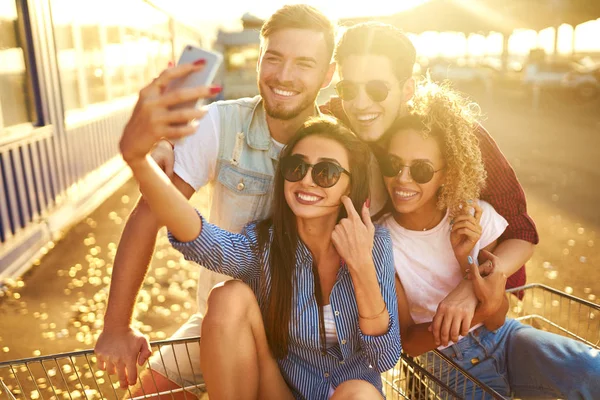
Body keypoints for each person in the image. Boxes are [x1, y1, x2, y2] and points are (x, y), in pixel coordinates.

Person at [95, 5, 340, 397]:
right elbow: (150, 215)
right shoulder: (221, 124)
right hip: (220, 319)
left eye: (304, 64)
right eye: (273, 58)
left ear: (328, 75)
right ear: (259, 59)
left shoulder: (340, 146)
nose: (284, 75)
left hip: (304, 337)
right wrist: (117, 326)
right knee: (146, 394)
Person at [119, 115, 401, 399]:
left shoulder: (375, 243)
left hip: (352, 395)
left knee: (359, 393)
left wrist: (361, 265)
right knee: (228, 296)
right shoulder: (264, 246)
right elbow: (202, 239)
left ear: (349, 186)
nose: (305, 180)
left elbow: (385, 358)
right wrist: (142, 163)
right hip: (281, 392)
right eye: (296, 167)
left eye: (326, 173)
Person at [376, 81, 600, 399]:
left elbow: (497, 317)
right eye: (392, 164)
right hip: (442, 363)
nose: (403, 178)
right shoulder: (383, 242)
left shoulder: (472, 217)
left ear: (446, 172)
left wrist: (467, 260)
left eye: (422, 169)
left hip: (503, 339)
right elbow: (409, 343)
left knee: (592, 372)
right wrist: (478, 312)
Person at [324, 22, 537, 348]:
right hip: (411, 311)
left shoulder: (457, 136)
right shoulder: (336, 125)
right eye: (348, 89)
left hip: (480, 299)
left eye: (377, 89)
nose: (361, 103)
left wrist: (472, 287)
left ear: (407, 89)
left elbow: (522, 232)